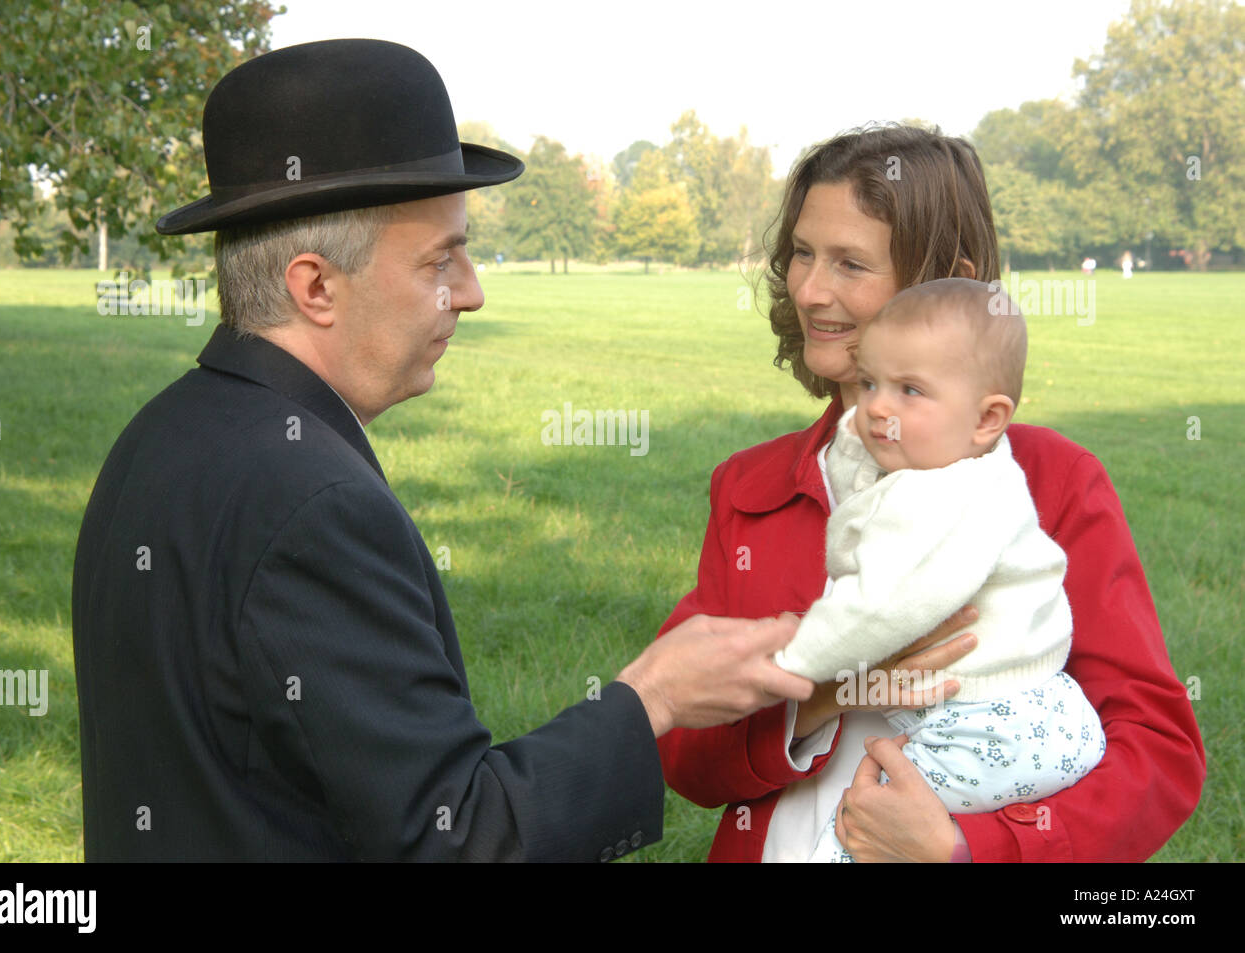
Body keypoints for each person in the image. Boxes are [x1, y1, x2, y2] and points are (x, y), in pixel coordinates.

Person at [71, 38, 815, 862]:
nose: (470, 290)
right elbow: (456, 841)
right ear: (314, 286)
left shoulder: (158, 436)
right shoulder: (317, 507)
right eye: (439, 258)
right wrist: (651, 698)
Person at [656, 125, 1205, 862]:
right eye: (803, 253)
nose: (811, 289)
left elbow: (1158, 754)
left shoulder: (1051, 480)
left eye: (851, 262)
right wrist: (824, 695)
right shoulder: (750, 488)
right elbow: (683, 749)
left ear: (952, 274)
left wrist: (963, 850)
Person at [773, 278, 1104, 862]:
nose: (876, 406)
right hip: (1053, 714)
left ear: (987, 418)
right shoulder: (977, 468)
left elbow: (881, 607)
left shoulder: (943, 499)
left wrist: (789, 663)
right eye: (870, 382)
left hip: (982, 726)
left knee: (860, 831)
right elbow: (866, 489)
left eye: (909, 390)